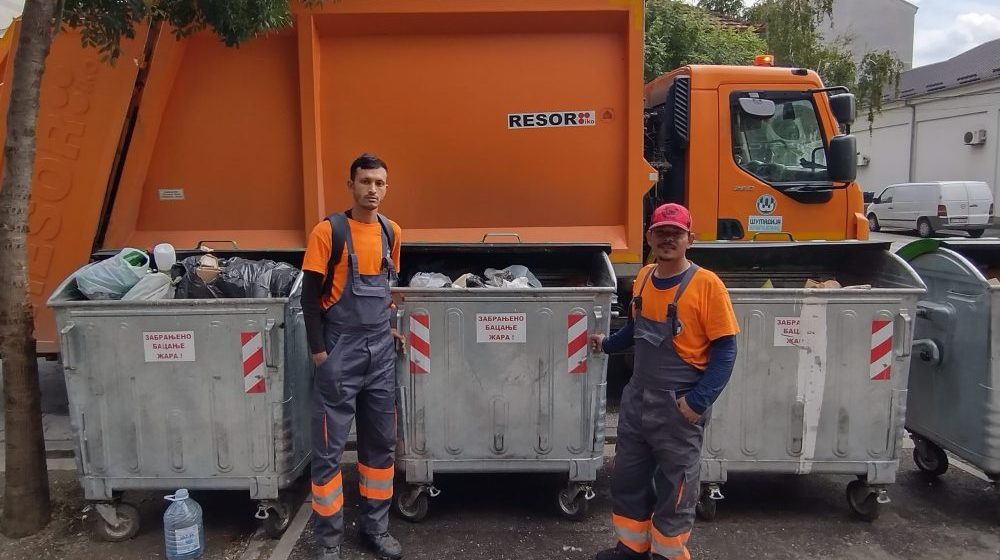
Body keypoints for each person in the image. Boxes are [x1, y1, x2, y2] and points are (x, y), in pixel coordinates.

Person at [591, 203, 739, 560]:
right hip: (637, 401)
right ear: (649, 237)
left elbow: (726, 351)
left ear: (691, 238)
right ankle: (631, 548)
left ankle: (667, 554)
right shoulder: (644, 277)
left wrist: (697, 401)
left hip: (678, 406)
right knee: (628, 478)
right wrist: (607, 344)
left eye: (676, 233)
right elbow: (635, 329)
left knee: (676, 488)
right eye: (661, 232)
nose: (668, 239)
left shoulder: (707, 285)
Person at [301, 153, 405, 560]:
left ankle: (375, 530)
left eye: (379, 183)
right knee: (329, 451)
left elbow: (385, 290)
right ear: (351, 185)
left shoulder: (391, 232)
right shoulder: (328, 232)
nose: (372, 189)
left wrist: (385, 328)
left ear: (386, 187)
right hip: (339, 351)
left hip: (379, 353)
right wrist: (320, 354)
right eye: (365, 181)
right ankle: (329, 542)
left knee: (380, 446)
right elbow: (309, 300)